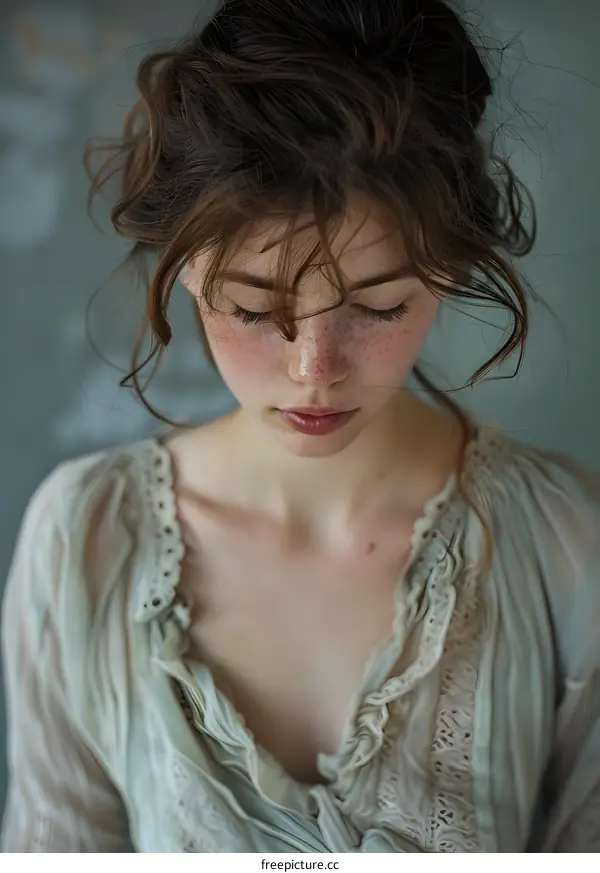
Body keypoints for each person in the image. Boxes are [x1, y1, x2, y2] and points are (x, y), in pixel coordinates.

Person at [1, 0, 599, 854]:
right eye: (253, 308)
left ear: (453, 265)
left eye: (380, 306)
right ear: (183, 267)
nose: (315, 367)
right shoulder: (85, 542)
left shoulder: (568, 545)